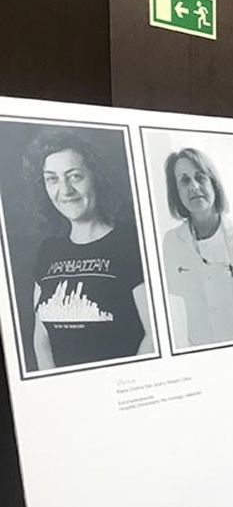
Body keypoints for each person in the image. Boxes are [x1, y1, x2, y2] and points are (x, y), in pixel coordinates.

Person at [24, 130, 154, 370]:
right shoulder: (48, 251)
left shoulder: (132, 243)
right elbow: (41, 339)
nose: (65, 190)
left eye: (74, 176)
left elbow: (154, 335)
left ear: (96, 177)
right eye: (52, 179)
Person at [161, 148, 233, 348]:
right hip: (202, 352)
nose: (193, 186)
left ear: (213, 183)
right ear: (176, 192)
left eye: (200, 177)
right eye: (184, 181)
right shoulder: (171, 243)